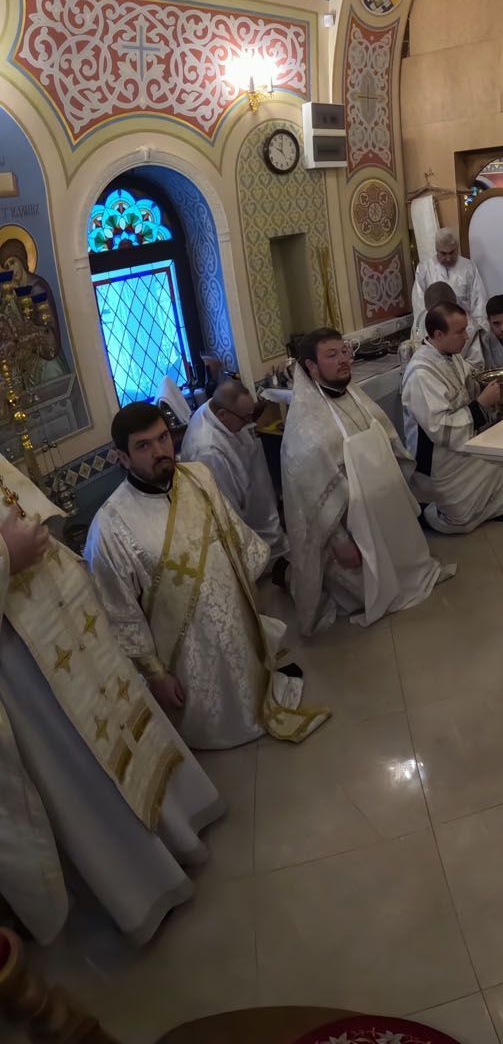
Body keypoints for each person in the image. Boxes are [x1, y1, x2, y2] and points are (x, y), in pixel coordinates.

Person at [0, 454, 224, 946]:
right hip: (19, 655)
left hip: (58, 611)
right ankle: (146, 885)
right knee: (79, 759)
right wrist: (6, 557)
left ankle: (179, 827)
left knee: (125, 714)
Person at [84, 404, 329, 750]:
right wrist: (156, 675)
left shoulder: (199, 477)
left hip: (235, 622)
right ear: (122, 457)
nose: (160, 451)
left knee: (254, 684)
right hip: (186, 657)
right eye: (144, 446)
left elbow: (235, 539)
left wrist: (252, 600)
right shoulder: (109, 526)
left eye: (163, 438)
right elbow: (120, 613)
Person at [282, 328, 447, 636]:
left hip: (385, 513)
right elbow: (312, 501)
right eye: (332, 355)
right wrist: (341, 542)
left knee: (408, 569)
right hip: (350, 531)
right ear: (311, 367)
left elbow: (389, 445)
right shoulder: (305, 431)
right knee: (369, 592)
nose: (344, 360)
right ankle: (288, 573)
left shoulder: (354, 395)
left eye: (345, 351)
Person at [403, 302, 503, 534]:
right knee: (461, 520)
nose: (467, 336)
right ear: (438, 335)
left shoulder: (451, 356)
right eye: (460, 332)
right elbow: (440, 428)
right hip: (440, 460)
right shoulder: (421, 373)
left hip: (461, 445)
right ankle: (428, 513)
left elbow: (467, 388)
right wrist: (481, 404)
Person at [180, 379, 289, 571]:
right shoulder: (208, 452)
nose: (250, 422)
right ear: (223, 414)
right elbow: (228, 511)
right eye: (245, 418)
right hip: (243, 520)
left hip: (254, 498)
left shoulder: (215, 409)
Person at [410, 227, 488, 342]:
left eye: (452, 252)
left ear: (457, 248)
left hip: (465, 332)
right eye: (443, 253)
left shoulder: (469, 268)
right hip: (437, 334)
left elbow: (479, 303)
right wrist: (425, 335)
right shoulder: (424, 269)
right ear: (436, 249)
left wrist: (478, 333)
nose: (448, 258)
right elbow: (420, 306)